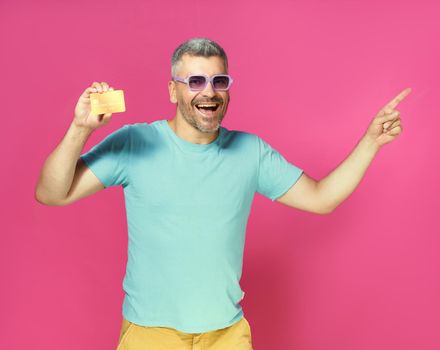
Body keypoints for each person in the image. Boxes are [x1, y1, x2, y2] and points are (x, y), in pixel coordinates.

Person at [34, 38, 411, 350]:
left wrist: (371, 142)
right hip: (150, 335)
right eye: (195, 81)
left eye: (219, 81)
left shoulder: (250, 152)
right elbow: (51, 193)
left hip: (227, 335)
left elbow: (321, 198)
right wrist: (80, 129)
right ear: (172, 90)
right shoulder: (136, 142)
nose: (209, 92)